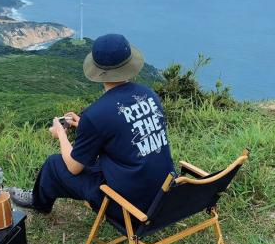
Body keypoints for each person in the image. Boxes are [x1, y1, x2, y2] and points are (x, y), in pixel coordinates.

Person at [9, 34, 175, 223]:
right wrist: (84, 125)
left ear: (98, 70)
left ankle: (38, 203)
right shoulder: (149, 94)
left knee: (54, 164)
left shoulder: (96, 114)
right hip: (164, 195)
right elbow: (125, 129)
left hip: (129, 207)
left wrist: (61, 134)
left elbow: (74, 168)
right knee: (96, 159)